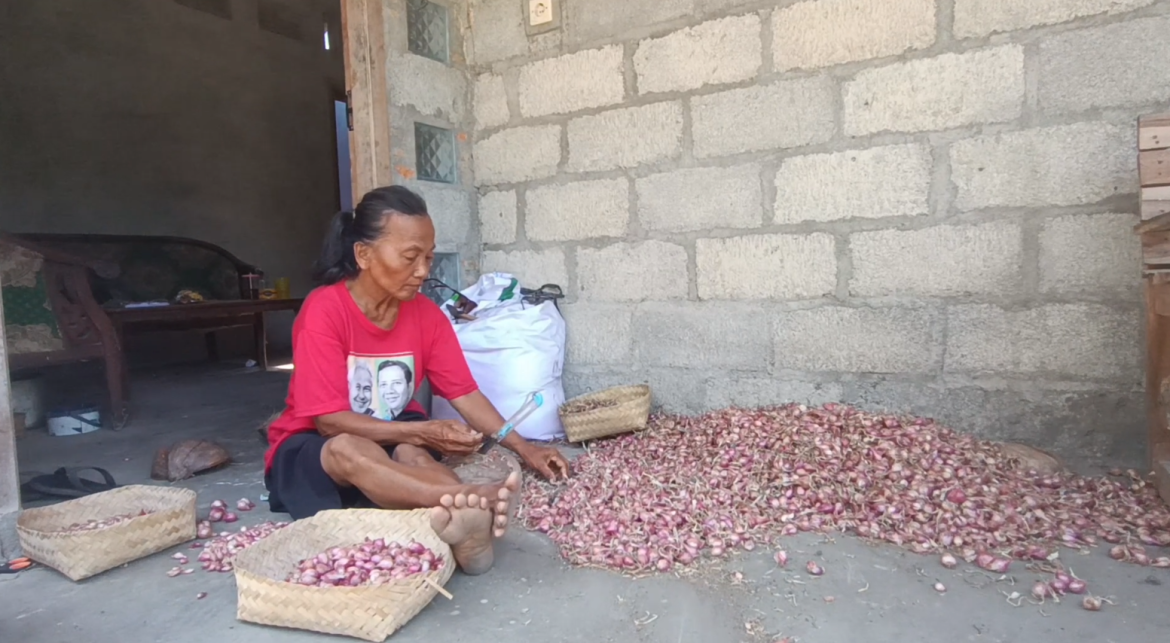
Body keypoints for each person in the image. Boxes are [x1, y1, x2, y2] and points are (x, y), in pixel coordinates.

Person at [264, 185, 571, 576]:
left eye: (427, 257)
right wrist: (425, 430)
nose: (424, 271)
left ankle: (463, 522)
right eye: (410, 257)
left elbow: (466, 393)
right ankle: (467, 501)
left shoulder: (425, 315)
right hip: (316, 447)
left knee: (414, 454)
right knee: (352, 448)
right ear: (363, 254)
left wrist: (524, 448)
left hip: (394, 433)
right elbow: (328, 421)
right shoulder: (325, 310)